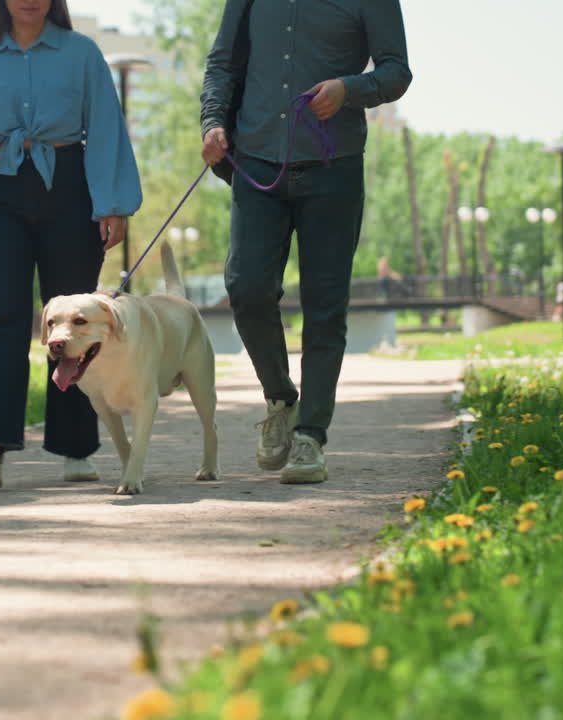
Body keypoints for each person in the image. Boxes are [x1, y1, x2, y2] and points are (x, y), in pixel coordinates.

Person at [201, 0, 411, 484]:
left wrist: (349, 89)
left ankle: (310, 436)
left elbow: (397, 71)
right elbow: (223, 63)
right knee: (247, 287)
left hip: (333, 166)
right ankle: (281, 399)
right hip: (256, 160)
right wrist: (213, 122)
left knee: (324, 305)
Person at [0, 0, 142, 491]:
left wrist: (111, 204)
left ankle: (75, 447)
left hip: (69, 188)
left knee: (74, 320)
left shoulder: (82, 53)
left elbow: (107, 129)